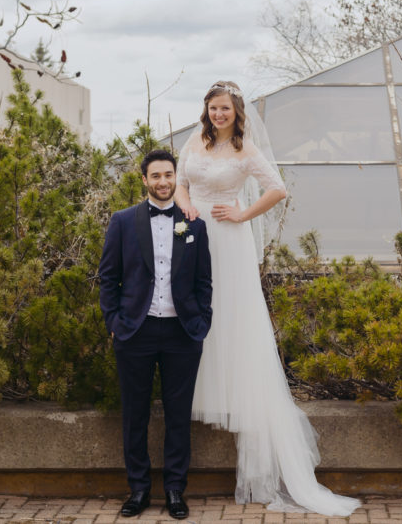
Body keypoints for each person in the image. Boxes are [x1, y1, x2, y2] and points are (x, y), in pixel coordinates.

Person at [174, 81, 360, 516]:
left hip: (229, 240)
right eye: (213, 107)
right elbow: (181, 182)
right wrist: (187, 208)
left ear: (237, 113)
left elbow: (278, 189)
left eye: (225, 109)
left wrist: (241, 213)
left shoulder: (246, 151)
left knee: (231, 316)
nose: (218, 114)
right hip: (196, 236)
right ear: (206, 110)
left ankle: (237, 396)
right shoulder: (195, 141)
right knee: (196, 311)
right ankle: (200, 390)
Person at [98, 149, 213, 519]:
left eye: (169, 175)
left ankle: (176, 490)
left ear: (176, 177)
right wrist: (115, 323)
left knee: (179, 415)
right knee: (135, 414)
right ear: (144, 179)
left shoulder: (194, 223)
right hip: (136, 331)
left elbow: (203, 280)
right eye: (156, 176)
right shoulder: (122, 221)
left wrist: (202, 322)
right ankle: (139, 490)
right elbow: (108, 278)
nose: (163, 182)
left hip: (183, 332)